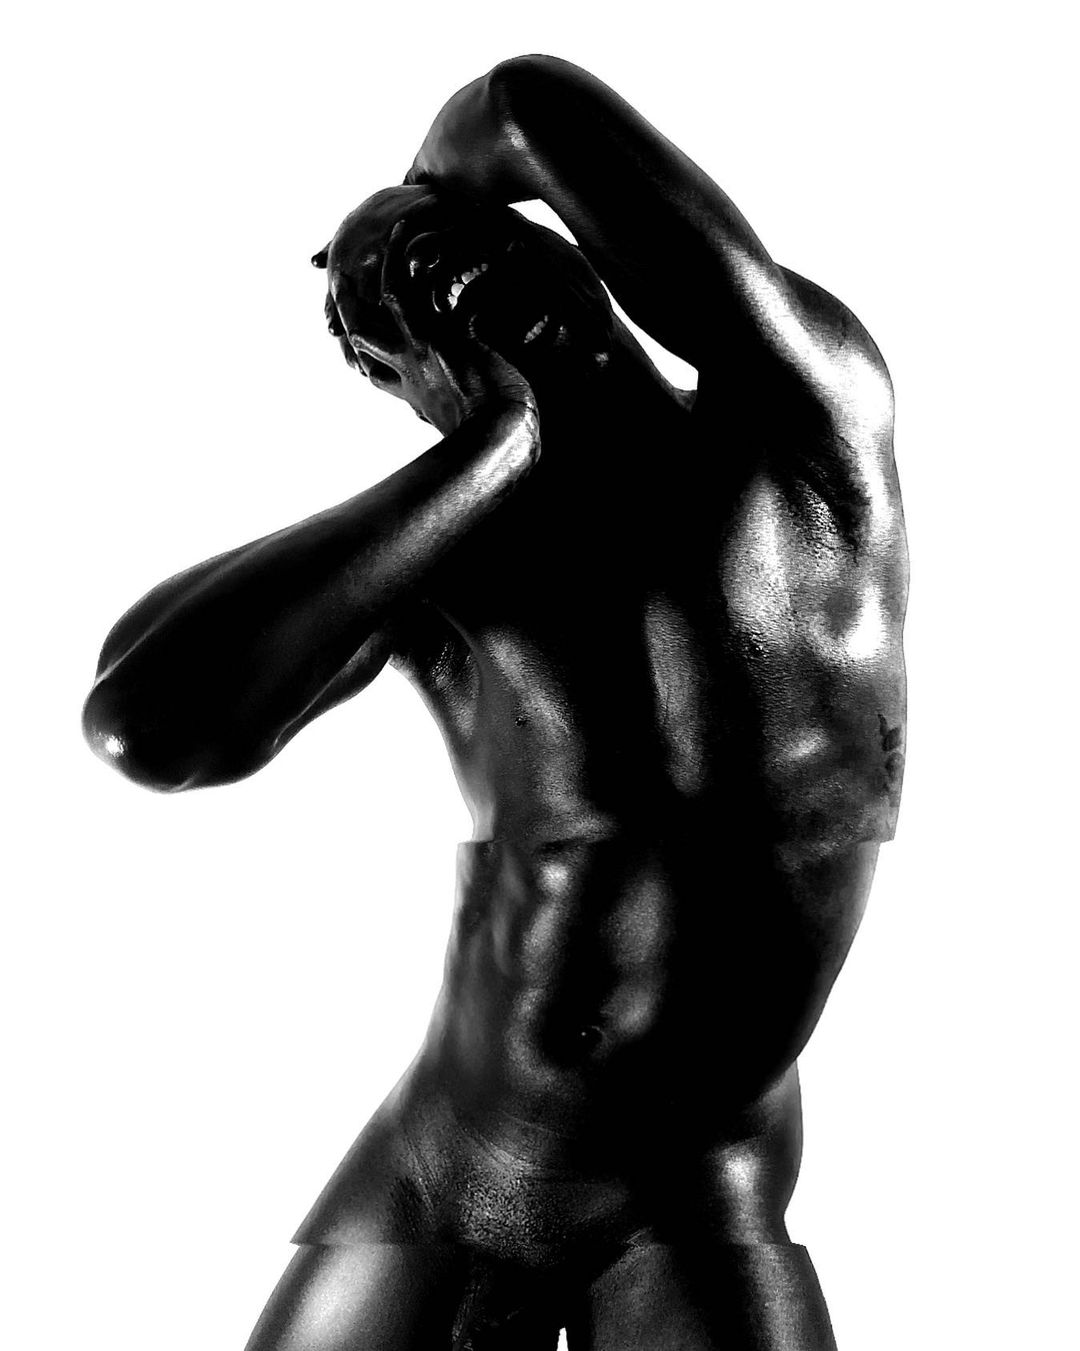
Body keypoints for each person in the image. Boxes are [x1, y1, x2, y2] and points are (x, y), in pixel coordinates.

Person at [83, 55, 907, 1351]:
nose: (441, 288)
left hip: (690, 1200)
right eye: (399, 313)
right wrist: (493, 451)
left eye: (459, 254)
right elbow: (149, 723)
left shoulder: (802, 429)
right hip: (443, 1177)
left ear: (575, 255)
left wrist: (409, 203)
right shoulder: (449, 572)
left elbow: (526, 105)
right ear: (411, 386)